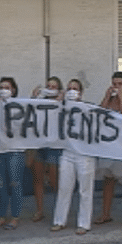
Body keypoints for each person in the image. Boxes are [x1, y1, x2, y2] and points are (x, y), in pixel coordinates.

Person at [50, 79, 96, 235]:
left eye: (75, 89)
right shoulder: (62, 107)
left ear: (81, 92)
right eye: (69, 88)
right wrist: (59, 100)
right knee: (64, 188)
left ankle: (84, 223)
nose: (71, 91)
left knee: (85, 190)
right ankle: (59, 220)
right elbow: (47, 113)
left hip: (85, 155)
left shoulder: (88, 108)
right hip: (67, 153)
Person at [95, 71, 122, 228]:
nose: (116, 87)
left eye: (120, 84)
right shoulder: (110, 99)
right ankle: (105, 214)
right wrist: (107, 97)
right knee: (108, 179)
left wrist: (121, 98)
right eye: (114, 84)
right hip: (109, 145)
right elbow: (99, 113)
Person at [29, 76, 65, 223]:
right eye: (48, 86)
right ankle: (40, 210)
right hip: (40, 144)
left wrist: (61, 100)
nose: (50, 89)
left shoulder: (63, 103)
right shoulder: (40, 102)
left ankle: (59, 209)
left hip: (54, 146)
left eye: (53, 87)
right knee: (37, 179)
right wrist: (33, 98)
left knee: (54, 180)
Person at [0, 77, 25, 230]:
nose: (3, 89)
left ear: (13, 90)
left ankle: (14, 216)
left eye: (7, 87)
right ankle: (1, 215)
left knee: (15, 184)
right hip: (0, 150)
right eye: (1, 87)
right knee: (1, 185)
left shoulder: (20, 106)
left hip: (15, 151)